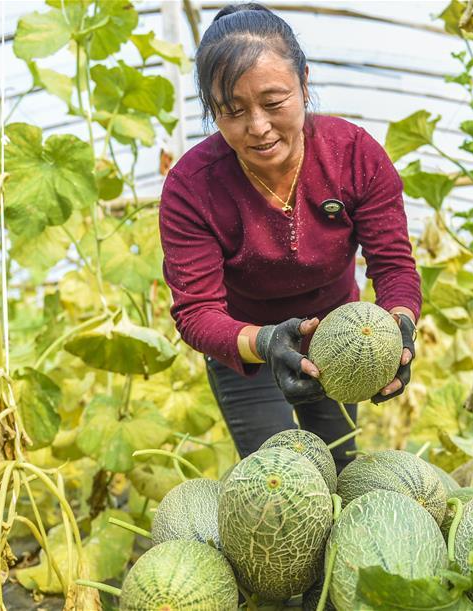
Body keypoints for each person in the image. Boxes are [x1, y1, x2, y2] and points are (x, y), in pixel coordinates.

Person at [158, 2, 421, 472]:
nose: (257, 127)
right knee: (279, 482)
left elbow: (394, 266)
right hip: (246, 346)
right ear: (211, 110)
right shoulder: (191, 186)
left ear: (303, 81)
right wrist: (265, 343)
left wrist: (399, 326)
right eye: (232, 111)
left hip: (339, 338)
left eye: (274, 102)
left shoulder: (354, 154)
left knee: (339, 468)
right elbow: (196, 313)